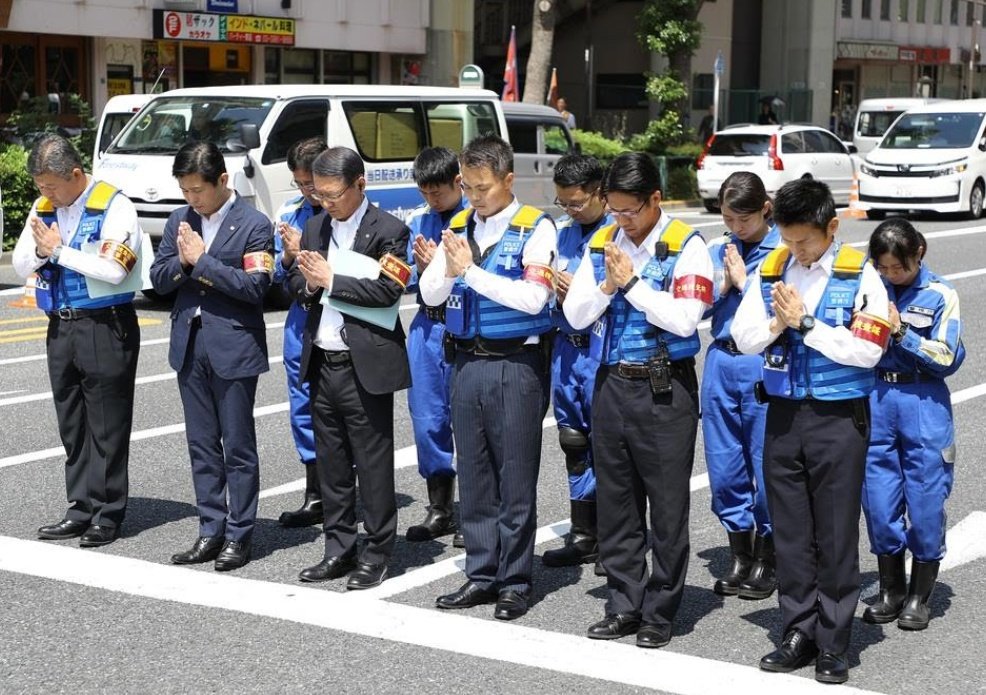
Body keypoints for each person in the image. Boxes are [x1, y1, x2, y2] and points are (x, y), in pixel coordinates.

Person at [731, 179, 890, 685]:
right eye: (788, 239)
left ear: (831, 228)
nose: (795, 250)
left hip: (838, 419)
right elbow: (743, 336)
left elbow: (868, 350)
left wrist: (805, 324)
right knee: (792, 531)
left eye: (804, 241)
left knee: (836, 532)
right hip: (782, 416)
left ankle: (834, 641)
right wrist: (779, 325)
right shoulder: (771, 270)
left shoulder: (860, 275)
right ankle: (798, 629)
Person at [564, 152, 712, 649]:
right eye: (615, 211)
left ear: (655, 200)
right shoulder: (605, 242)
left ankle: (660, 609)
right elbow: (577, 313)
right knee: (617, 500)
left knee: (667, 507)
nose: (621, 221)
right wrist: (608, 283)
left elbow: (686, 319)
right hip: (611, 383)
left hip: (664, 386)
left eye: (630, 212)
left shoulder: (686, 245)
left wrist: (632, 283)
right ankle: (623, 602)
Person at [420, 134, 556, 621]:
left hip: (516, 363)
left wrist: (471, 272)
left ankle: (515, 580)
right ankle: (481, 573)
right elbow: (431, 292)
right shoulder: (458, 225)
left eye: (483, 187)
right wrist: (450, 270)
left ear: (508, 180)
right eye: (469, 186)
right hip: (465, 362)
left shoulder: (536, 228)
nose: (475, 197)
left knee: (515, 475)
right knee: (475, 473)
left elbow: (533, 299)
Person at [289, 147, 411, 591]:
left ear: (360, 184)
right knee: (333, 463)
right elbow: (296, 281)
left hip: (365, 364)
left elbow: (388, 291)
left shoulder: (390, 230)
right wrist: (305, 281)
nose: (325, 202)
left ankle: (376, 553)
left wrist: (330, 281)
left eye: (333, 194)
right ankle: (337, 548)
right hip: (322, 360)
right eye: (317, 194)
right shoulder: (315, 225)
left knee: (372, 463)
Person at [12, 133, 142, 548]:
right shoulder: (45, 207)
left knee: (106, 424)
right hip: (61, 325)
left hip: (105, 324)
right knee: (72, 423)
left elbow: (114, 270)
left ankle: (107, 513)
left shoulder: (115, 206)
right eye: (40, 187)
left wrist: (59, 250)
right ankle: (79, 508)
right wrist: (42, 251)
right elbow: (20, 263)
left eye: (51, 185)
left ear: (75, 174)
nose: (45, 194)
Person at [151, 141, 274, 572]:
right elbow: (157, 278)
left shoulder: (255, 223)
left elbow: (255, 288)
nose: (191, 199)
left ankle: (240, 534)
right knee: (201, 444)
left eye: (197, 190)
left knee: (237, 445)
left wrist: (201, 262)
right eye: (185, 191)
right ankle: (210, 528)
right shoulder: (179, 220)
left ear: (222, 180)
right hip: (190, 342)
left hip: (234, 344)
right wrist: (183, 266)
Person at [862, 219, 964, 631]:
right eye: (882, 267)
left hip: (923, 400)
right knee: (878, 502)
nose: (890, 275)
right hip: (875, 398)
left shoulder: (941, 293)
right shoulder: (868, 286)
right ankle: (890, 589)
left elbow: (945, 356)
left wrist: (901, 331)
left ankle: (920, 595)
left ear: (918, 254)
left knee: (925, 501)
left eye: (898, 268)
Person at [703, 172, 780, 600]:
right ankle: (740, 551)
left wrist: (747, 282)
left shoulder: (782, 251)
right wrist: (723, 281)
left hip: (762, 363)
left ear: (765, 209)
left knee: (764, 460)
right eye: (728, 218)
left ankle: (769, 554)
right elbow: (695, 302)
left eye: (743, 220)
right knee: (724, 461)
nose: (735, 228)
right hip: (721, 357)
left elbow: (788, 307)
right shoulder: (720, 249)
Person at [541, 154, 612, 571]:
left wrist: (582, 297)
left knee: (609, 445)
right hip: (566, 349)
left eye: (578, 203)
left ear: (600, 193)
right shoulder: (564, 235)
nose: (570, 210)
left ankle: (615, 537)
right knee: (573, 441)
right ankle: (583, 533)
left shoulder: (616, 236)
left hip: (601, 350)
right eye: (563, 203)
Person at [404, 146, 467, 545]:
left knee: (470, 421)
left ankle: (477, 508)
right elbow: (400, 275)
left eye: (439, 192)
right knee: (428, 420)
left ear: (457, 183)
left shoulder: (472, 220)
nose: (432, 199)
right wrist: (419, 270)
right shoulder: (416, 221)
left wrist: (442, 269)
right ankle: (439, 506)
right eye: (425, 192)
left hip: (463, 326)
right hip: (427, 327)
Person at [272, 137, 327, 528]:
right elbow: (272, 272)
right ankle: (314, 492)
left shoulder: (345, 211)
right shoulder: (289, 213)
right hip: (300, 316)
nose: (307, 191)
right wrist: (289, 254)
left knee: (343, 406)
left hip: (339, 313)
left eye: (312, 182)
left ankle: (345, 487)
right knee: (302, 403)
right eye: (301, 183)